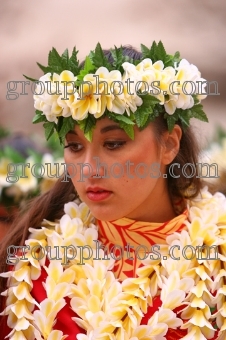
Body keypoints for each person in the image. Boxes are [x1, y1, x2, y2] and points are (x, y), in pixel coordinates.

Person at [0, 42, 225, 340]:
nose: (89, 169)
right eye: (75, 146)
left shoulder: (217, 264)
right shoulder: (33, 268)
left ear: (169, 144)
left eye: (114, 144)